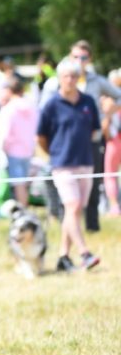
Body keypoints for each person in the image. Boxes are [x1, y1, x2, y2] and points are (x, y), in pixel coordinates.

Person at [39, 40, 121, 232]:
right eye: (75, 56)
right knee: (62, 187)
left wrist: (109, 112)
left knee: (92, 186)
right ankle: (65, 226)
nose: (79, 61)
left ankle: (92, 226)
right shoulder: (53, 84)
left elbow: (117, 96)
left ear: (89, 59)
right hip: (63, 143)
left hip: (91, 140)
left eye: (83, 57)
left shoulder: (96, 81)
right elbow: (44, 111)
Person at [37, 58, 101, 272]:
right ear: (59, 79)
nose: (71, 80)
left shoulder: (88, 102)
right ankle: (84, 253)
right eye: (66, 76)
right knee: (72, 206)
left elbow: (94, 130)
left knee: (75, 211)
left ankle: (63, 256)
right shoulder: (51, 104)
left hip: (85, 161)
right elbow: (42, 136)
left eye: (74, 76)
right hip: (62, 163)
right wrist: (55, 153)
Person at [0, 76, 38, 207]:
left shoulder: (9, 109)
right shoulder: (32, 107)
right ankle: (23, 207)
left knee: (18, 185)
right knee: (23, 183)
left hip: (13, 152)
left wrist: (2, 148)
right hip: (28, 149)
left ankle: (22, 210)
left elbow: (4, 134)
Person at [101, 72, 121, 217]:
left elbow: (106, 125)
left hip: (115, 141)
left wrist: (107, 137)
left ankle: (114, 207)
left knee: (110, 174)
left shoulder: (109, 101)